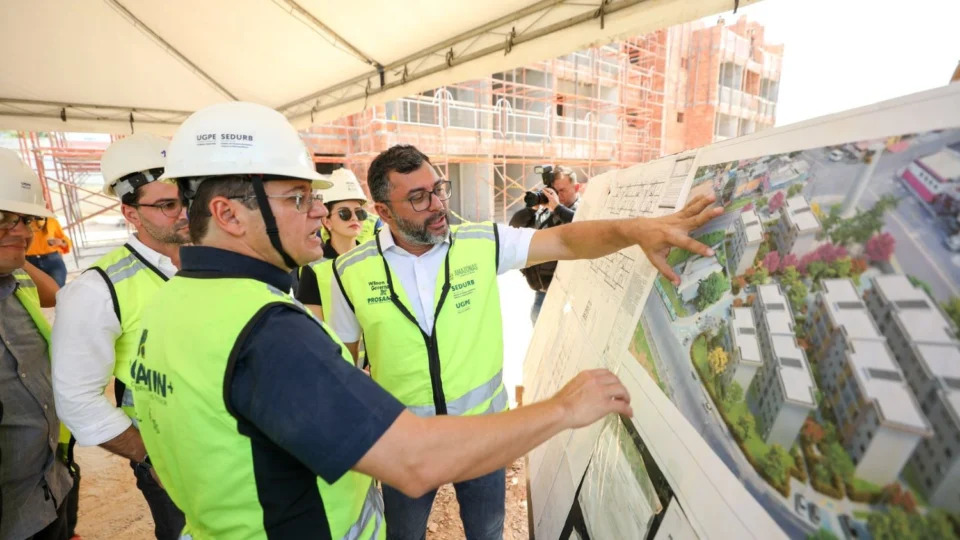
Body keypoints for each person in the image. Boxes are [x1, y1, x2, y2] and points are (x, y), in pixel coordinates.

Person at [130, 101, 634, 540]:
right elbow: (413, 461)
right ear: (229, 214)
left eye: (439, 189)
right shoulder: (270, 330)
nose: (318, 215)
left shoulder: (172, 303)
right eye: (299, 199)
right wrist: (564, 408)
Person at [329, 145, 720, 540]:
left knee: (487, 532)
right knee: (402, 535)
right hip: (405, 443)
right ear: (383, 211)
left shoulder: (482, 242)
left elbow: (566, 241)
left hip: (485, 437)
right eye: (417, 197)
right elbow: (344, 366)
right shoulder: (348, 272)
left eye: (439, 189)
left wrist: (636, 231)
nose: (436, 205)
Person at [50, 133, 188, 540]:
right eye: (166, 204)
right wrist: (149, 456)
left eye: (186, 198)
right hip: (174, 460)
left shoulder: (222, 262)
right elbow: (76, 398)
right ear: (131, 213)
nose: (183, 212)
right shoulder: (98, 289)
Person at [0, 148, 74, 540]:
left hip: (48, 489)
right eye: (2, 219)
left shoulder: (18, 282)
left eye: (25, 220)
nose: (25, 232)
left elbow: (55, 294)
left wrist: (13, 247)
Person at [296, 168, 369, 322]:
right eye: (344, 213)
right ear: (327, 222)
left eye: (359, 212)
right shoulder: (313, 267)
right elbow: (315, 324)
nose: (354, 218)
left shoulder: (374, 258)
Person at [525, 166, 581, 325]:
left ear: (576, 188)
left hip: (568, 291)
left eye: (562, 190)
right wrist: (532, 210)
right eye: (554, 192)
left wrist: (557, 208)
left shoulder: (582, 210)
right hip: (543, 288)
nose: (558, 196)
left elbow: (580, 226)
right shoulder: (548, 210)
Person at [26, 216, 72, 287]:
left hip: (52, 260)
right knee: (36, 293)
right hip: (30, 263)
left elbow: (64, 239)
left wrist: (61, 242)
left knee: (57, 291)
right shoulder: (23, 221)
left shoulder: (51, 221)